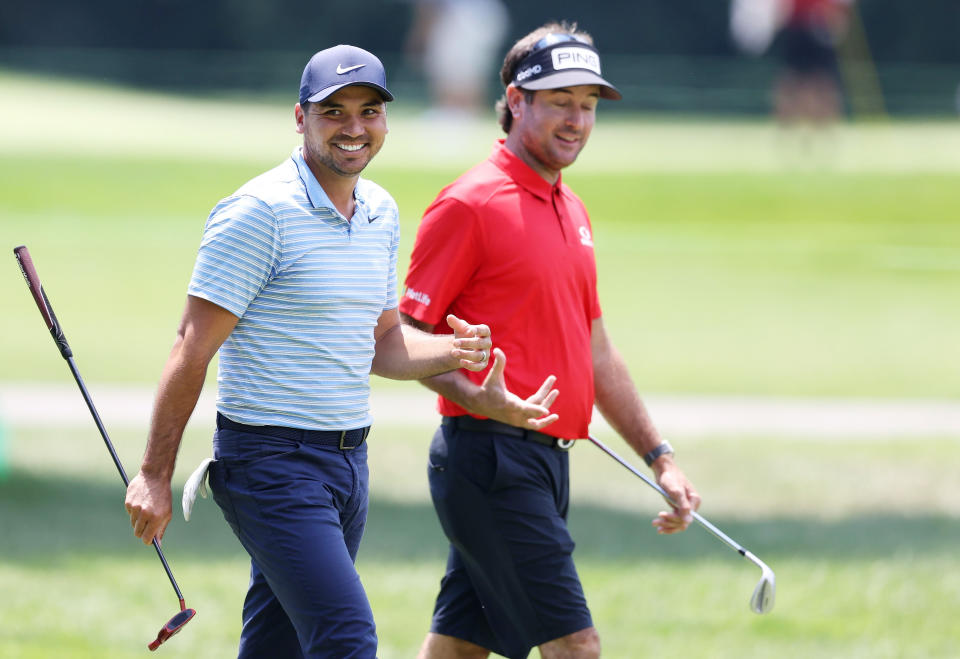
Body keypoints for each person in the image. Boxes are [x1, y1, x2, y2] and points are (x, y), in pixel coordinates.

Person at [123, 44, 494, 659]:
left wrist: (454, 350)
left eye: (369, 110)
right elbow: (191, 348)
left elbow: (381, 343)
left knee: (279, 645)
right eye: (334, 111)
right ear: (300, 118)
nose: (354, 127)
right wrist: (155, 475)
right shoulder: (258, 212)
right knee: (346, 637)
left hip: (348, 461)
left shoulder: (379, 210)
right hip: (269, 462)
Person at [399, 22, 703, 659]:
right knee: (576, 645)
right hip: (488, 460)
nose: (577, 120)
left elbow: (596, 349)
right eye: (560, 102)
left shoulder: (572, 208)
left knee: (456, 648)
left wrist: (660, 457)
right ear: (516, 101)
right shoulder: (470, 204)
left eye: (588, 106)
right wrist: (482, 399)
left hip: (543, 462)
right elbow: (407, 336)